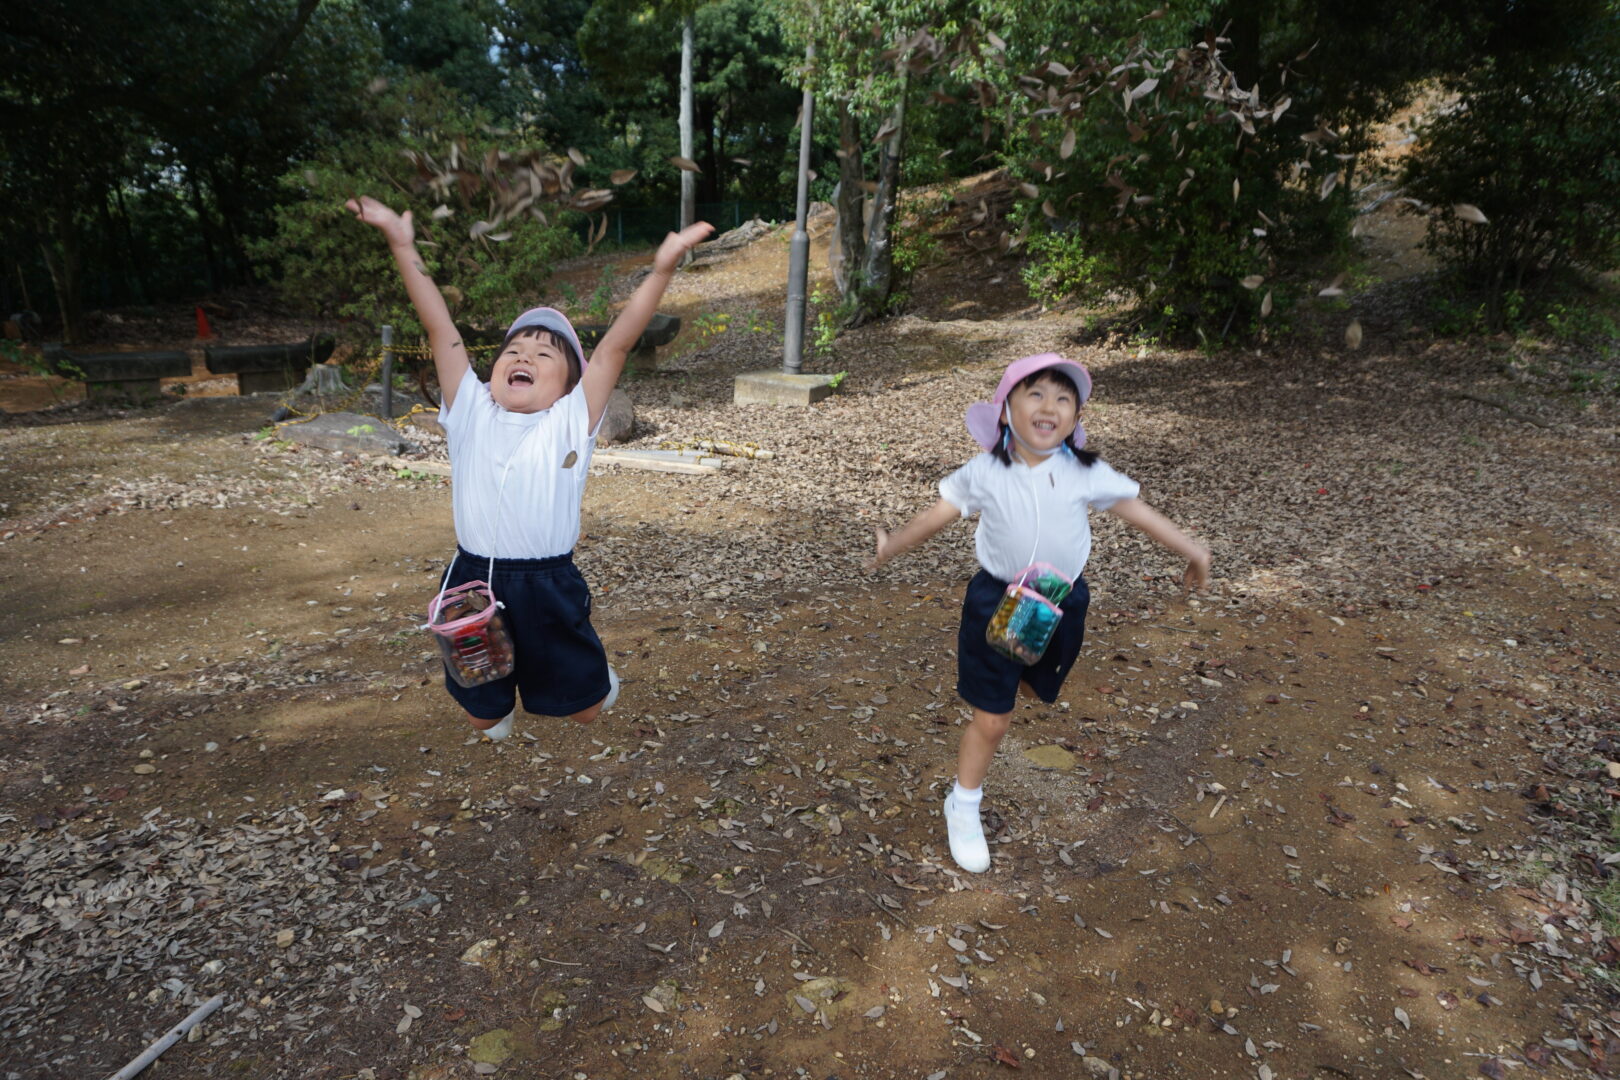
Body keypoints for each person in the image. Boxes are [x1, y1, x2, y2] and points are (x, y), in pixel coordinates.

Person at [348, 195, 713, 740]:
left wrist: (662, 268)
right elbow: (440, 328)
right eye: (514, 350)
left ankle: (596, 685)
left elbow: (615, 346)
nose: (524, 358)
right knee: (482, 716)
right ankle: (497, 705)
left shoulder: (569, 421)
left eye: (545, 355)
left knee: (583, 708)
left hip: (546, 582)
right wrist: (402, 245)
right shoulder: (470, 408)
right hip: (471, 580)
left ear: (568, 386)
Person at [867, 353, 1211, 872]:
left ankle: (1012, 689)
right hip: (996, 600)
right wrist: (891, 545)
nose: (1049, 405)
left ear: (1073, 419)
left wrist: (1193, 551)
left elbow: (1136, 511)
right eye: (1035, 393)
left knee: (1038, 688)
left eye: (1063, 397)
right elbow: (938, 514)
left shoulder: (1086, 473)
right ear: (1005, 412)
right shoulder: (986, 472)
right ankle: (963, 804)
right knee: (994, 718)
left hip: (1060, 603)